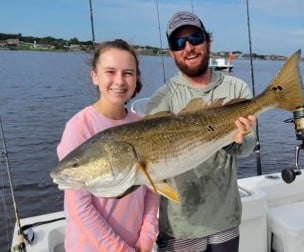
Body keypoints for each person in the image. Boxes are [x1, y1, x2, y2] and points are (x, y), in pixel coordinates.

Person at [145, 11, 257, 252]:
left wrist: (231, 140)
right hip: (180, 226)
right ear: (171, 53)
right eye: (178, 43)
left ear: (208, 41)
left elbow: (248, 148)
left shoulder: (235, 87)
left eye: (195, 38)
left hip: (225, 218)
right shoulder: (161, 100)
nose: (188, 47)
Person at [57, 39, 158, 252]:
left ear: (136, 78)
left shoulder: (141, 124)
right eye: (110, 72)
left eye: (128, 73)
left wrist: (147, 237)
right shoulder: (79, 128)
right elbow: (80, 208)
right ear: (95, 76)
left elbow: (152, 186)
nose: (119, 81)